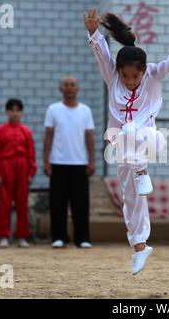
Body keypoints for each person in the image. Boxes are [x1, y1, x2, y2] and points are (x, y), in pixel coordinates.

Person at [84, 8, 169, 274]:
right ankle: (140, 245)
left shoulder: (152, 76)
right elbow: (102, 54)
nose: (129, 81)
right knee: (131, 197)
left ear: (143, 72)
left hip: (150, 140)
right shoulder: (112, 76)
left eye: (134, 77)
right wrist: (93, 32)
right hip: (123, 148)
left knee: (129, 130)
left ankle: (142, 171)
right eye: (125, 76)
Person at [43, 77, 95, 249]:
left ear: (77, 89)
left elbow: (89, 138)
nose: (69, 88)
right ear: (60, 88)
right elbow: (48, 136)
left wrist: (92, 161)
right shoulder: (53, 109)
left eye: (72, 85)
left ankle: (82, 238)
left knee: (80, 203)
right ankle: (58, 237)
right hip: (58, 163)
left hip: (79, 163)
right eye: (66, 85)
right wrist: (46, 160)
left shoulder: (85, 111)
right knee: (57, 202)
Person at [0, 99, 36, 248]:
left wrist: (31, 173)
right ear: (7, 112)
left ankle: (22, 236)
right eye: (11, 110)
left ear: (21, 112)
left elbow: (31, 154)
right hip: (5, 167)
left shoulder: (26, 131)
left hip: (22, 168)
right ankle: (4, 235)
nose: (14, 113)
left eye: (17, 110)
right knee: (4, 202)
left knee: (22, 203)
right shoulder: (0, 131)